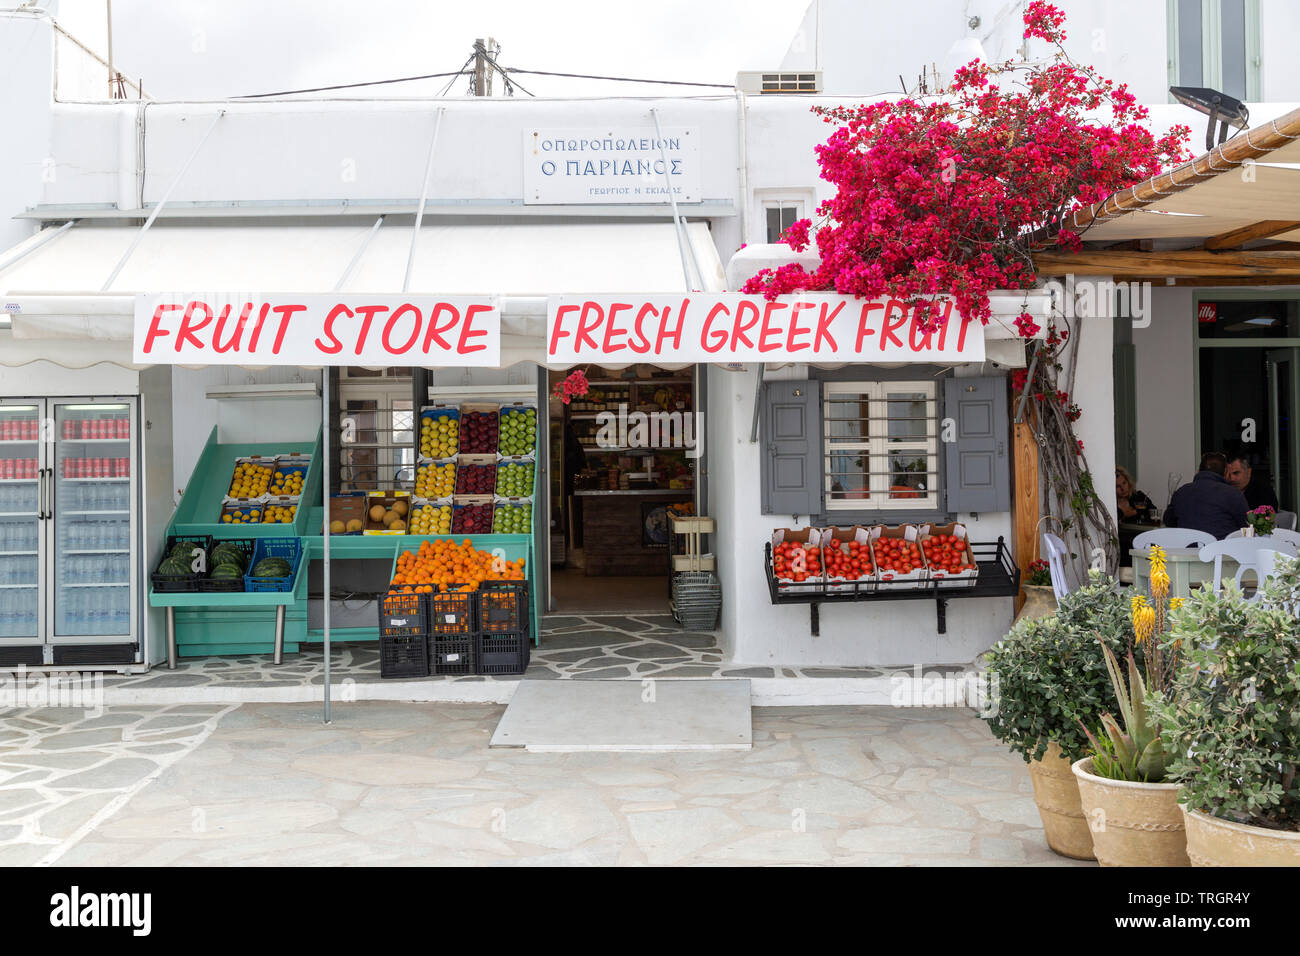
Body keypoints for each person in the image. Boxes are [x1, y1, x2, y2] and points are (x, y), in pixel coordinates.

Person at [1163, 452, 1248, 540]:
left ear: (1199, 470)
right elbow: (1246, 526)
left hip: (1188, 550)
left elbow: (1168, 520)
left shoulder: (1181, 492)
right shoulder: (1234, 494)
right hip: (1221, 550)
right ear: (1226, 473)